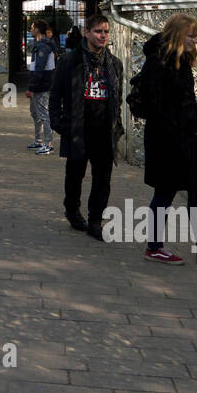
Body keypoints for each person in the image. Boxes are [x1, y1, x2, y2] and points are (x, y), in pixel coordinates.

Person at [135, 13, 197, 265]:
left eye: (196, 37)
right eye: (191, 36)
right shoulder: (157, 62)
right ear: (178, 35)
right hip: (167, 141)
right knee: (165, 192)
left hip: (190, 139)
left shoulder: (181, 61)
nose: (195, 41)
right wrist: (174, 127)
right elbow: (151, 103)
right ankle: (154, 247)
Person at [49, 12, 123, 239]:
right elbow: (56, 95)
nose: (103, 36)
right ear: (87, 33)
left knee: (103, 178)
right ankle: (72, 210)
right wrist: (59, 123)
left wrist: (116, 123)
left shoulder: (114, 63)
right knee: (75, 175)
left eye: (106, 32)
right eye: (98, 31)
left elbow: (117, 96)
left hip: (104, 130)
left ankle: (95, 221)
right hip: (79, 129)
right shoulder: (70, 61)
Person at [24, 19, 57, 155]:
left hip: (42, 86)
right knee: (35, 113)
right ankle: (38, 140)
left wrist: (31, 87)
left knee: (43, 114)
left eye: (32, 27)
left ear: (37, 29)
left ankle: (48, 143)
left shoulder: (43, 46)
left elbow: (39, 69)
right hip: (40, 85)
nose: (30, 29)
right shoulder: (41, 45)